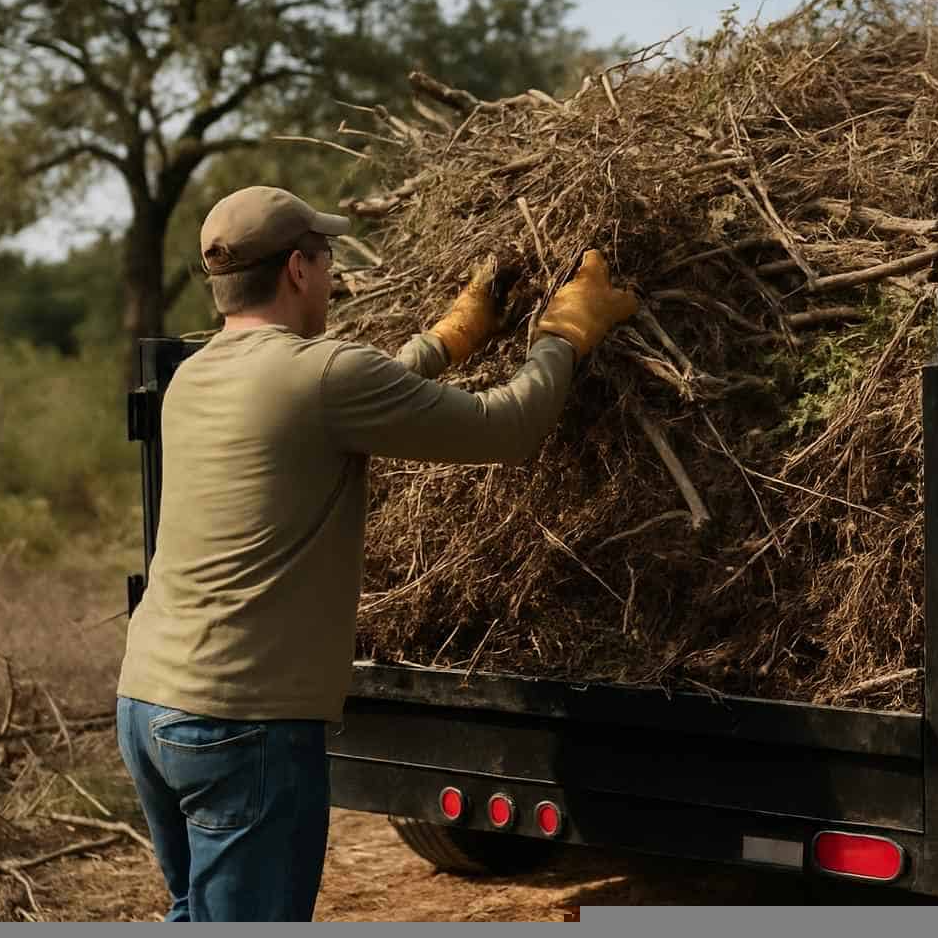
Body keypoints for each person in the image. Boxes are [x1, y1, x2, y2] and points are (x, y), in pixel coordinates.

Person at [113, 185, 637, 921]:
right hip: (240, 722)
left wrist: (451, 338)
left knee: (191, 915)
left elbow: (339, 397)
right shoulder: (321, 375)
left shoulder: (194, 377)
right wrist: (565, 334)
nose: (331, 275)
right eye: (326, 258)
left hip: (147, 704)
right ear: (297, 269)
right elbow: (507, 429)